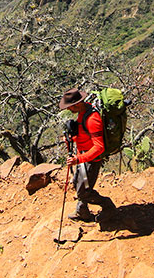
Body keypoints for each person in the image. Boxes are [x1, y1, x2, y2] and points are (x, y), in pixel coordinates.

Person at [60, 87, 117, 223]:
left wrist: (78, 159)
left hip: (91, 160)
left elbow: (99, 147)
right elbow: (85, 135)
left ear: (78, 103)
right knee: (77, 183)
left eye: (70, 106)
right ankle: (82, 212)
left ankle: (108, 207)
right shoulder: (83, 112)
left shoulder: (92, 119)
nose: (69, 109)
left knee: (84, 192)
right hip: (83, 157)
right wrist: (72, 139)